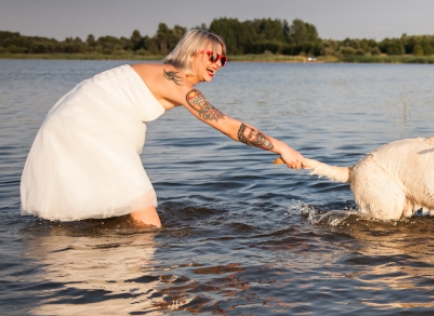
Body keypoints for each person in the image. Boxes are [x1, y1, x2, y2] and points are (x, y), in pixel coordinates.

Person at [21, 29, 309, 228]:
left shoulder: (167, 77)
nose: (218, 64)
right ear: (194, 52)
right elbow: (225, 124)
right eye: (213, 56)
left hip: (80, 121)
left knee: (116, 202)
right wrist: (282, 147)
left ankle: (108, 265)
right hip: (86, 124)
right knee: (140, 202)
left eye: (223, 59)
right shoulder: (172, 79)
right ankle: (142, 281)